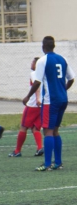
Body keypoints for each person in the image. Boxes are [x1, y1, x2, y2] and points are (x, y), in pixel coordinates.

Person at [23, 36, 75, 171]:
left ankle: (47, 165)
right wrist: (63, 89)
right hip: (63, 99)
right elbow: (71, 78)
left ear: (43, 46)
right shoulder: (62, 59)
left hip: (50, 101)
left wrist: (27, 96)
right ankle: (58, 162)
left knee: (48, 131)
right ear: (54, 46)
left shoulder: (42, 60)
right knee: (55, 130)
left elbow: (37, 82)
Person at [9, 57, 44, 157]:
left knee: (23, 127)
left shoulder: (34, 73)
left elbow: (37, 85)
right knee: (35, 128)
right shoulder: (43, 74)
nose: (31, 63)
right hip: (42, 106)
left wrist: (36, 98)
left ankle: (17, 151)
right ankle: (39, 148)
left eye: (33, 62)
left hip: (33, 105)